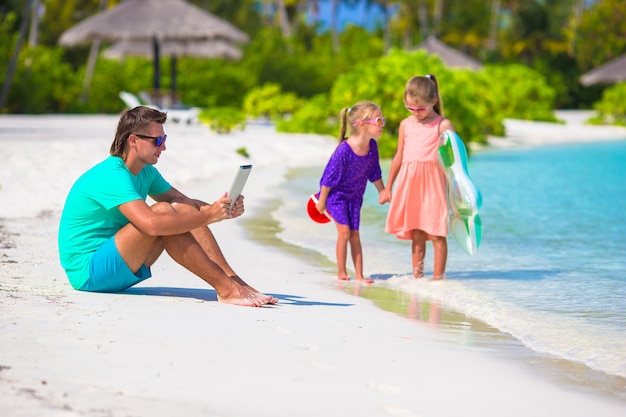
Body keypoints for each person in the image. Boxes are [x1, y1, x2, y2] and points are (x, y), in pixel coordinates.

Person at [58, 106, 277, 307]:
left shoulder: (145, 171)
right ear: (133, 140)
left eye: (164, 139)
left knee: (177, 208)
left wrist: (220, 209)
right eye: (157, 140)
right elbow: (152, 225)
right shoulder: (111, 175)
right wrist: (209, 215)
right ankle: (227, 289)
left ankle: (233, 282)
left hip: (119, 263)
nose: (164, 146)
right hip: (89, 272)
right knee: (162, 213)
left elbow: (186, 206)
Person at [379, 74, 454, 280]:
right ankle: (417, 278)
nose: (416, 113)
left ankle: (438, 279)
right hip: (409, 182)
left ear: (433, 101)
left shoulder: (443, 125)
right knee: (417, 231)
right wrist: (388, 187)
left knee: (438, 231)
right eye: (411, 108)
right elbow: (398, 156)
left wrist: (458, 191)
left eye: (421, 108)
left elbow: (455, 161)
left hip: (434, 183)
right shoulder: (405, 125)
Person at [315, 101, 386, 284]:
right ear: (362, 124)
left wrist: (382, 191)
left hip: (355, 197)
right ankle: (341, 271)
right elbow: (329, 178)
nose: (383, 125)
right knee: (345, 232)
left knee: (355, 234)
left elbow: (374, 172)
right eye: (379, 121)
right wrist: (322, 202)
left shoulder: (372, 147)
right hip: (336, 196)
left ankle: (360, 275)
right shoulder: (344, 150)